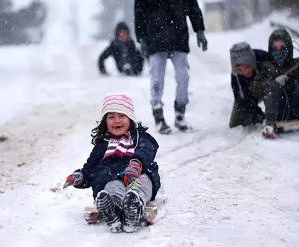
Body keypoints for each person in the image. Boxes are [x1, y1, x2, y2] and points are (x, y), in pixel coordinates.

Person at [63, 93, 161, 233]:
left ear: (130, 118)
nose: (116, 121)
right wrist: (79, 177)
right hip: (112, 176)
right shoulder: (103, 144)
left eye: (122, 116)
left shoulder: (139, 137)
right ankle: (112, 209)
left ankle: (134, 205)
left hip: (139, 173)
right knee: (112, 187)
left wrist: (136, 164)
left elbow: (146, 150)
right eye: (111, 117)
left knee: (141, 184)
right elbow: (90, 168)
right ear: (105, 121)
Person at [134, 0, 208, 134]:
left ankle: (180, 113)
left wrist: (199, 30)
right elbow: (140, 11)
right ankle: (158, 115)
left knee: (183, 77)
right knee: (157, 79)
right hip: (154, 38)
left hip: (178, 36)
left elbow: (192, 7)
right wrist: (142, 38)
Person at [251, 29, 299, 139]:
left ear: (289, 48)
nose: (279, 52)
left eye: (282, 48)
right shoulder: (266, 67)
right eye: (275, 49)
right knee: (273, 87)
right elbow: (256, 87)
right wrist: (273, 83)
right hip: (277, 112)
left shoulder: (297, 64)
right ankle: (269, 126)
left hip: (296, 109)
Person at [229, 42, 269, 128]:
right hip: (251, 94)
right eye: (239, 70)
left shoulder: (265, 59)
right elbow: (241, 100)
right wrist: (258, 116)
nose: (245, 72)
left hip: (270, 90)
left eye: (247, 67)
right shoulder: (236, 76)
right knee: (235, 123)